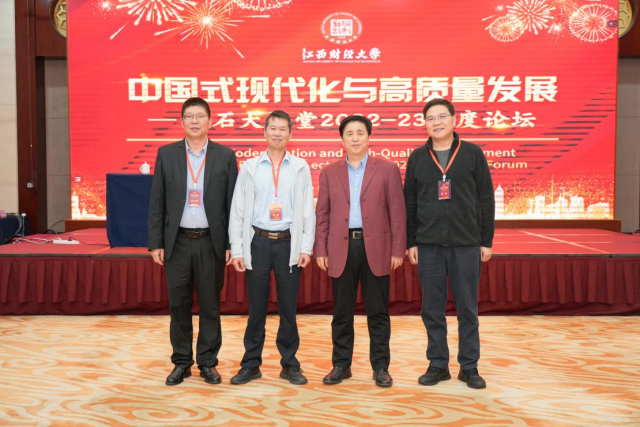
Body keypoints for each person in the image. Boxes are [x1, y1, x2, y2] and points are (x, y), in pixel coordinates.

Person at [404, 98, 495, 389]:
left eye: (442, 116)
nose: (437, 122)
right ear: (425, 124)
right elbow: (410, 203)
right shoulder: (418, 157)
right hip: (428, 244)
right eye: (431, 118)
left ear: (455, 120)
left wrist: (486, 240)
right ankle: (438, 364)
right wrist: (411, 241)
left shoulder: (472, 153)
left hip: (466, 243)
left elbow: (486, 198)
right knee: (432, 308)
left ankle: (469, 366)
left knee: (467, 308)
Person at [148, 97, 238, 386]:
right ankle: (181, 362)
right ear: (182, 121)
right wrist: (156, 242)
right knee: (179, 305)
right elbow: (157, 201)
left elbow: (233, 205)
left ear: (210, 121)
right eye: (189, 116)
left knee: (210, 306)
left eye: (200, 116)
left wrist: (231, 243)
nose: (195, 121)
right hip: (178, 242)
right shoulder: (166, 153)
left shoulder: (225, 155)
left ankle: (208, 363)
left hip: (211, 242)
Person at [314, 115, 406, 387]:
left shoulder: (387, 169)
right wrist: (321, 249)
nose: (355, 138)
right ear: (342, 139)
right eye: (349, 134)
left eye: (360, 133)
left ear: (368, 137)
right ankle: (341, 365)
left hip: (376, 247)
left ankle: (381, 367)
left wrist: (397, 249)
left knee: (378, 312)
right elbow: (323, 214)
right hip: (341, 248)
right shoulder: (329, 172)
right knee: (341, 312)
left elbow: (397, 213)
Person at [228, 110, 315, 385]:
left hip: (289, 243)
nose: (277, 133)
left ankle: (290, 364)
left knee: (288, 308)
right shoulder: (250, 167)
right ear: (264, 132)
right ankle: (251, 364)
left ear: (290, 133)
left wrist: (306, 247)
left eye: (282, 129)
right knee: (256, 308)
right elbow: (238, 210)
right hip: (258, 242)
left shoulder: (300, 167)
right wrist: (237, 249)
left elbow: (307, 210)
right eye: (273, 128)